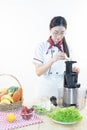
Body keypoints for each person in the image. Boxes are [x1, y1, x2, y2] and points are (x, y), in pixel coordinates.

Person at [33, 16, 79, 98]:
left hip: (61, 89)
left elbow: (69, 71)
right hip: (44, 89)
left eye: (62, 33)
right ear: (50, 30)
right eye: (56, 32)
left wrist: (75, 70)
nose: (59, 36)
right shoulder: (41, 46)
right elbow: (38, 72)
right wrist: (53, 59)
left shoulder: (68, 48)